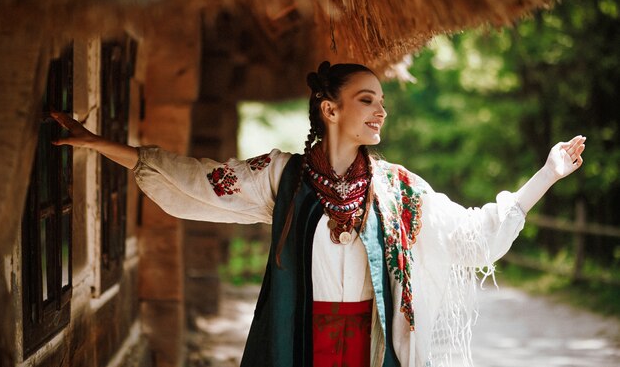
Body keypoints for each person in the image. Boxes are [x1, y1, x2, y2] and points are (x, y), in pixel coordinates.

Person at [51, 61, 585, 367]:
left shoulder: (397, 189)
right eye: (366, 99)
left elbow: (477, 235)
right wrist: (101, 144)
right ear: (330, 109)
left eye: (381, 100)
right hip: (297, 342)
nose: (382, 110)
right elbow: (196, 179)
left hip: (372, 347)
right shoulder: (282, 178)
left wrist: (548, 172)